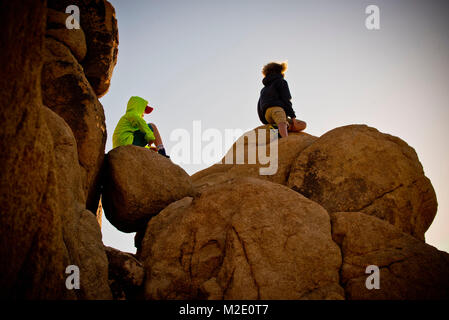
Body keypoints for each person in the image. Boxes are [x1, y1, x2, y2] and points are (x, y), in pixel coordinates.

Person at [257, 62, 306, 138]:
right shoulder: (281, 81)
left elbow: (259, 107)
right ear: (279, 71)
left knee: (302, 124)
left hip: (267, 116)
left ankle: (277, 130)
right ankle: (285, 139)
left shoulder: (263, 89)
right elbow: (286, 99)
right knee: (283, 123)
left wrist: (265, 122)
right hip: (277, 110)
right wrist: (293, 117)